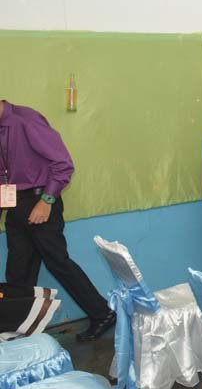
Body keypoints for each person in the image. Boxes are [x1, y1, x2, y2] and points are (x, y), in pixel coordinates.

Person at [0, 100, 116, 341]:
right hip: (14, 206)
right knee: (18, 272)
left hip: (39, 201)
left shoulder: (27, 120)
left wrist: (47, 200)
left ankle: (102, 313)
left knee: (58, 263)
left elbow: (63, 164)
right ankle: (21, 330)